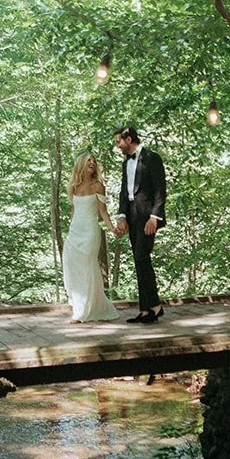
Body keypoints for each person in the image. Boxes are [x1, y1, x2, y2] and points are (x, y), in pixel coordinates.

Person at [114, 125, 166, 323]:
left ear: (129, 139)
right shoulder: (125, 162)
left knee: (142, 256)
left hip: (147, 217)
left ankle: (155, 306)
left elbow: (160, 190)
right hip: (132, 216)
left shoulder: (152, 158)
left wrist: (155, 217)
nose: (117, 145)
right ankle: (146, 310)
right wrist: (122, 216)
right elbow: (123, 193)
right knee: (139, 261)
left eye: (119, 141)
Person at [62, 153, 120, 322]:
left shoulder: (98, 186)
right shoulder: (74, 186)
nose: (92, 163)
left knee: (88, 267)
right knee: (73, 265)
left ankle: (83, 312)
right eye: (89, 160)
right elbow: (74, 210)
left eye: (94, 161)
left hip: (90, 231)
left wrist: (112, 229)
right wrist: (70, 230)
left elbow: (103, 212)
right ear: (81, 164)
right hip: (75, 231)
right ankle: (82, 304)